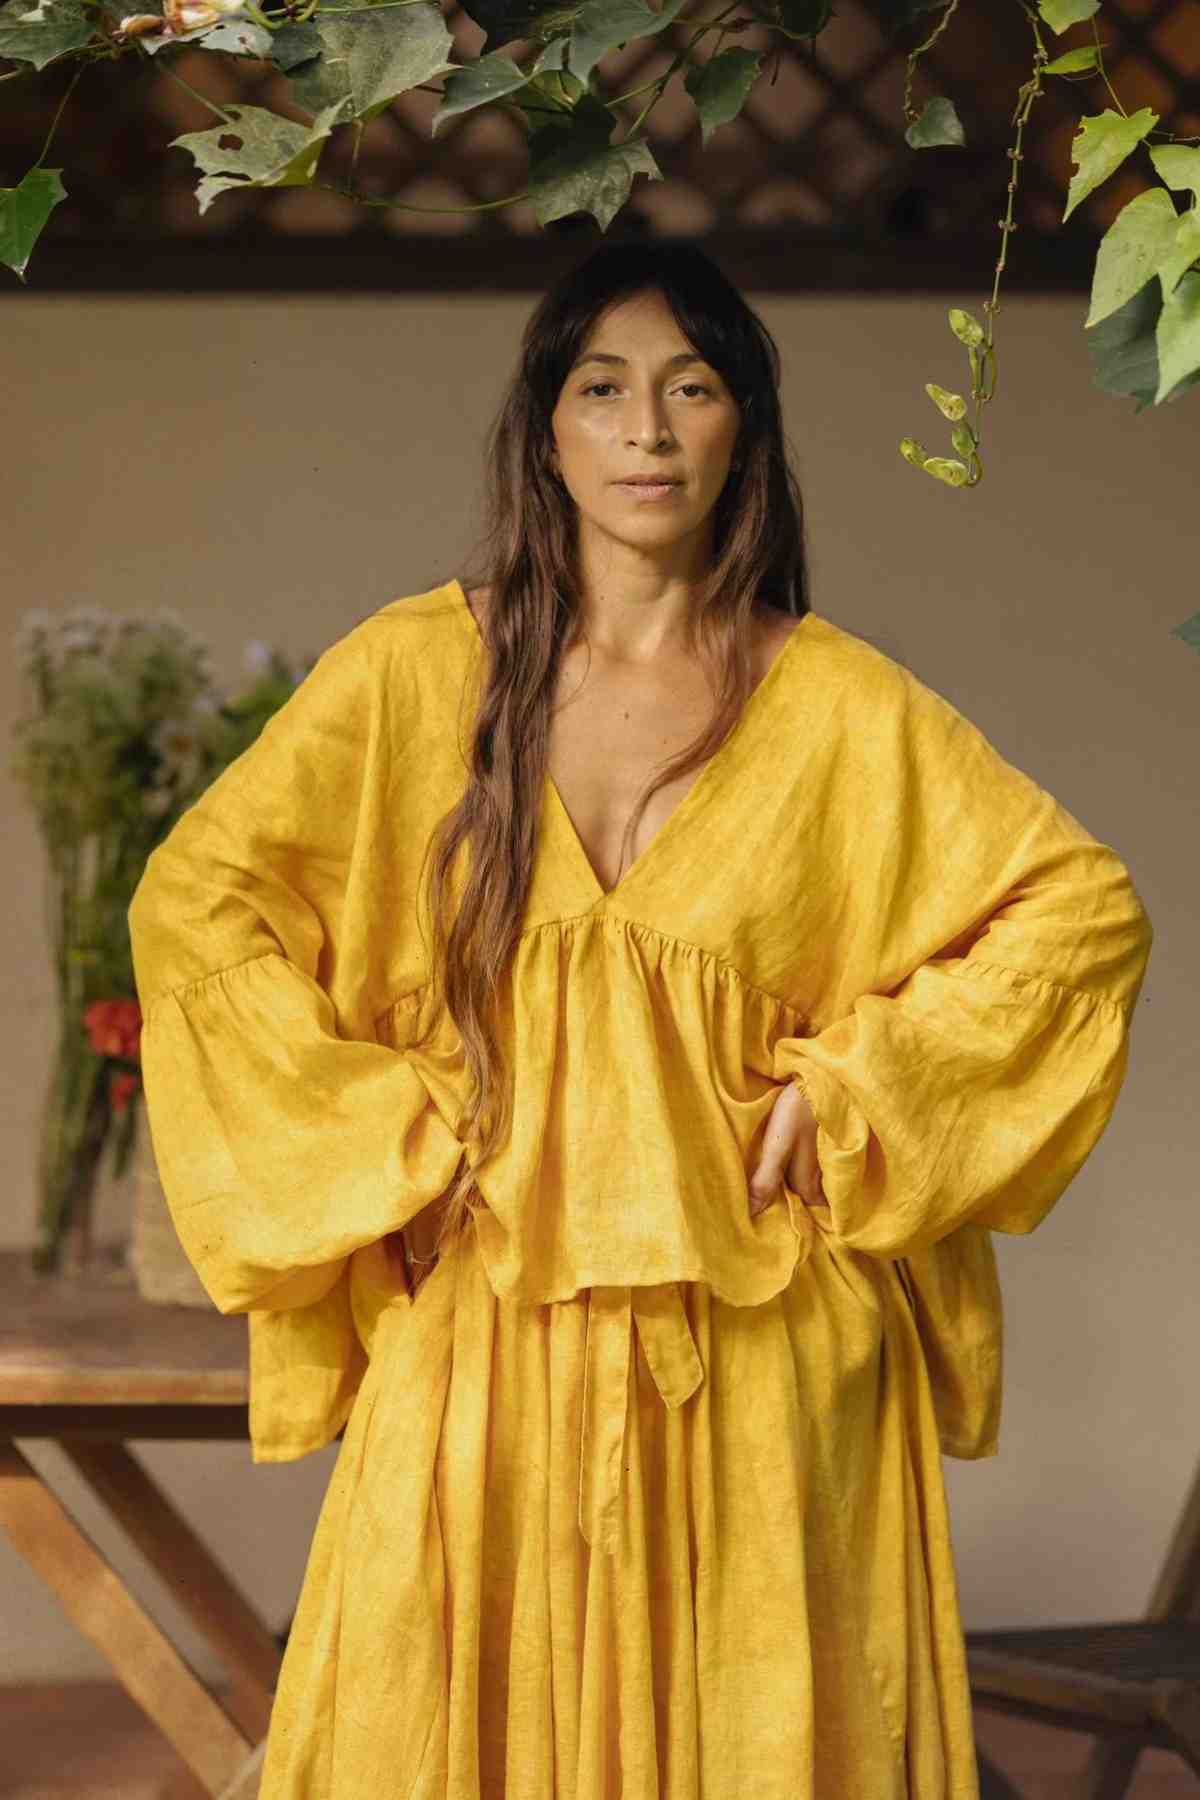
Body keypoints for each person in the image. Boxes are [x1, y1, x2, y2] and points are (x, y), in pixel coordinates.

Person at [127, 239, 1153, 1798]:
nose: (649, 432)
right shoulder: (417, 679)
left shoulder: (839, 708)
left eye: (692, 389)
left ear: (746, 427)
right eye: (603, 391)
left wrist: (862, 1084)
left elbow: (1081, 914)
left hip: (763, 1353)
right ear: (546, 430)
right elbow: (195, 909)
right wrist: (396, 1136)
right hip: (485, 1334)